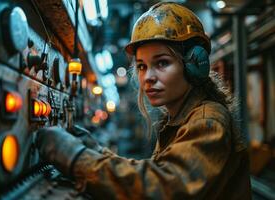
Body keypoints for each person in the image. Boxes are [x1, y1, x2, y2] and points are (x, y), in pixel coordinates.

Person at [36, 2, 251, 199]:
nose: (148, 77)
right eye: (141, 66)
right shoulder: (181, 119)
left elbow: (163, 187)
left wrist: (77, 158)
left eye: (162, 63)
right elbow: (157, 170)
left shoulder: (208, 120)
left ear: (194, 65)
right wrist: (97, 151)